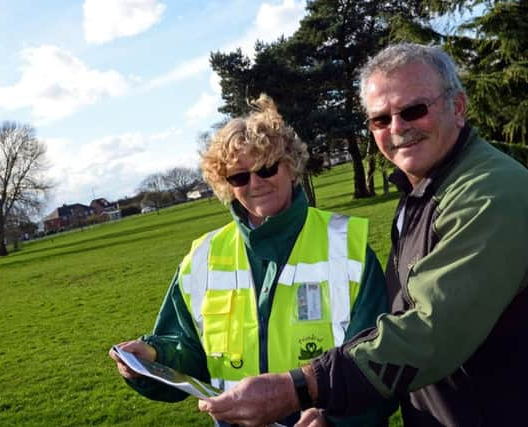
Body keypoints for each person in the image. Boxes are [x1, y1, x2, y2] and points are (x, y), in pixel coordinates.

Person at [198, 43, 528, 427]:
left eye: (413, 110)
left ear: (458, 106)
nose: (397, 128)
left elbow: (430, 329)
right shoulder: (423, 189)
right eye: (380, 120)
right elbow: (399, 313)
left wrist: (302, 386)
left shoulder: (488, 192)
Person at [109, 94, 395, 426]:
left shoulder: (348, 246)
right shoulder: (202, 257)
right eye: (239, 177)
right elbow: (187, 352)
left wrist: (337, 420)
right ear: (225, 184)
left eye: (266, 168)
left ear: (291, 166)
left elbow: (382, 363)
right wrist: (152, 357)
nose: (255, 183)